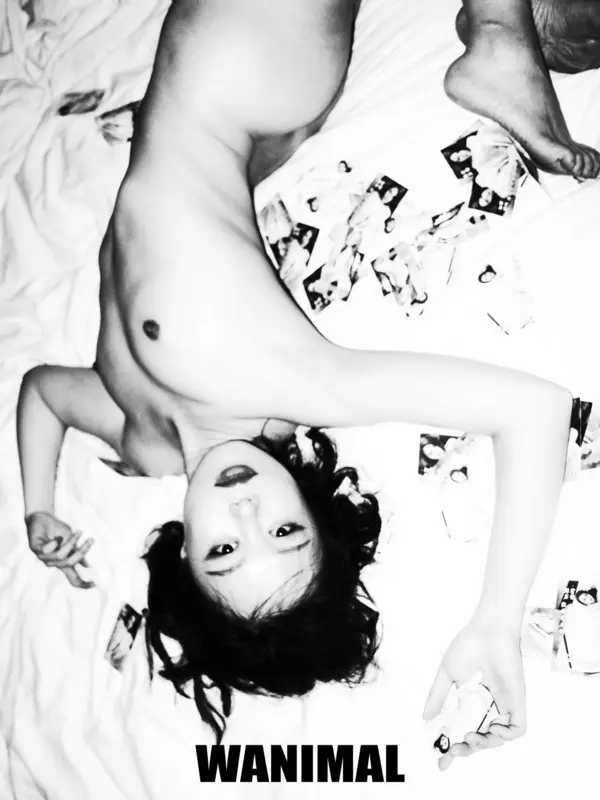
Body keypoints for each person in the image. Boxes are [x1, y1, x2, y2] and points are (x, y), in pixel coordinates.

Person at [17, 0, 573, 761]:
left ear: (184, 558)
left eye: (223, 551)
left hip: (233, 111)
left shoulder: (148, 444)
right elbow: (534, 409)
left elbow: (44, 391)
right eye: (285, 533)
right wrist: (496, 620)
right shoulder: (286, 386)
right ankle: (498, 39)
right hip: (252, 60)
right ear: (314, 514)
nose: (246, 511)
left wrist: (37, 505)